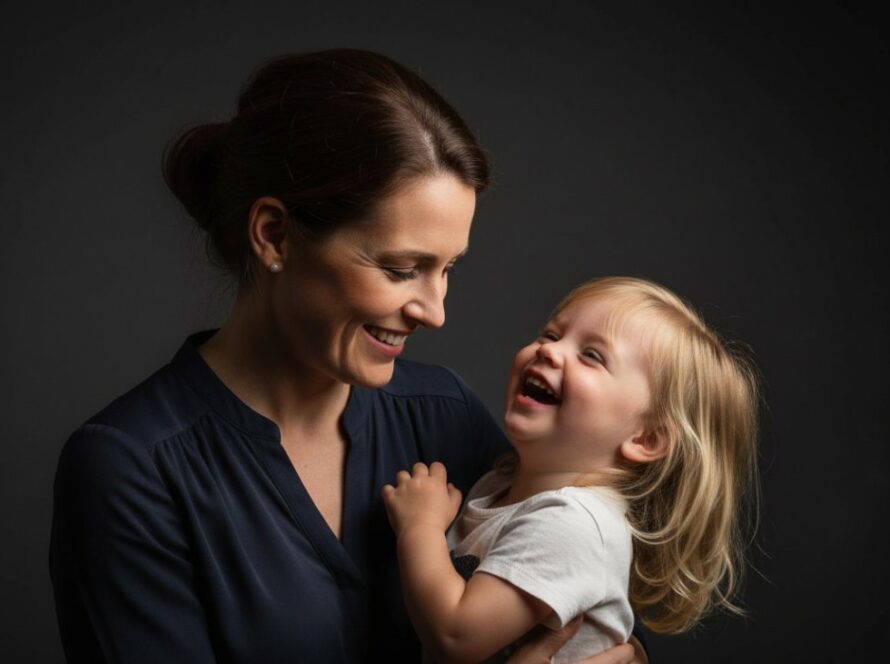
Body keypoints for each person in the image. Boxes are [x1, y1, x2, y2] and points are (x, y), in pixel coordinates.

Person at [49, 50, 646, 663]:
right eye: (400, 269)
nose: (434, 311)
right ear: (275, 236)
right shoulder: (130, 468)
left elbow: (585, 596)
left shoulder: (444, 415)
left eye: (447, 270)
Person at [383, 276, 760, 663]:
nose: (548, 351)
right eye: (550, 334)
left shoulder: (574, 524)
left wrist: (421, 527)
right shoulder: (499, 484)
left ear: (645, 439)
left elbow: (455, 636)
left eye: (592, 356)